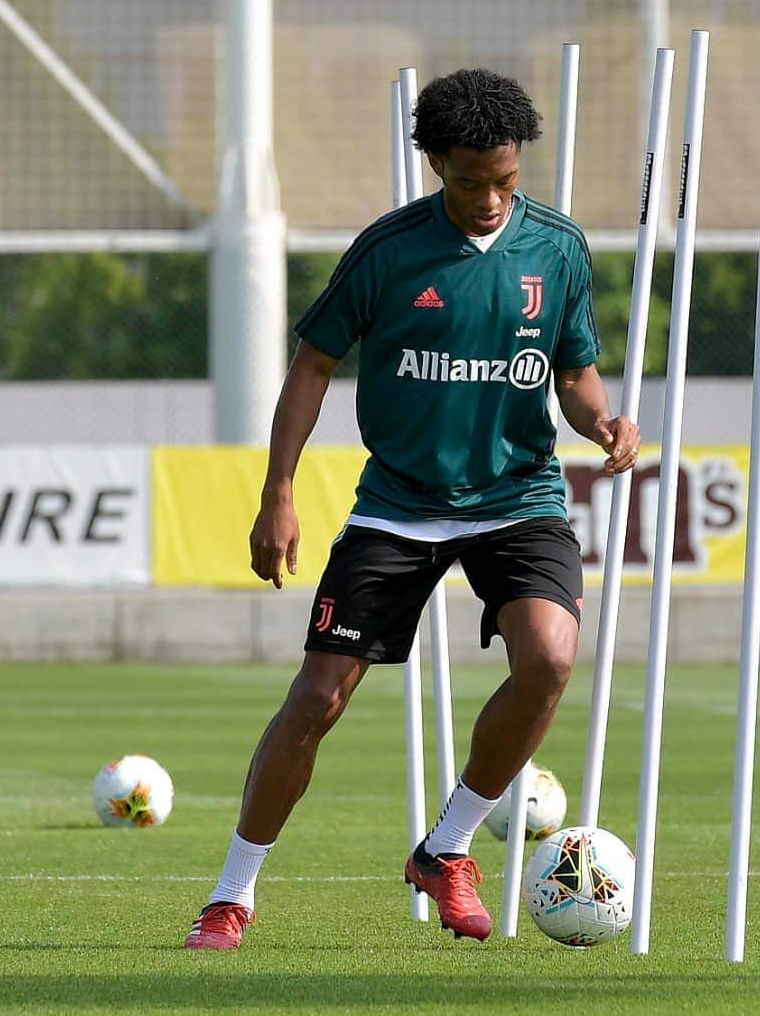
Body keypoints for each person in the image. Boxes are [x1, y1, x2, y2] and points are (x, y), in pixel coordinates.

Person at [184, 67, 640, 950]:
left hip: (518, 495)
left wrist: (604, 423)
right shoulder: (389, 251)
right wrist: (277, 492)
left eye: (505, 180)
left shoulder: (558, 247)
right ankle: (231, 894)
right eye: (469, 182)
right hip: (398, 504)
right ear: (434, 163)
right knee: (317, 698)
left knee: (548, 657)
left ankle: (447, 847)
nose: (488, 199)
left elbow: (575, 372)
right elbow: (313, 364)